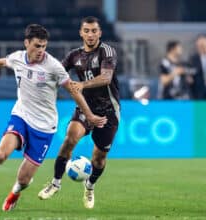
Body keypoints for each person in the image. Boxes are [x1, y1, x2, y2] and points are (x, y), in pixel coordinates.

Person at [0, 24, 107, 211]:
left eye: (44, 46)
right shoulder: (18, 58)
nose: (40, 50)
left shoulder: (53, 67)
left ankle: (15, 192)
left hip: (44, 126)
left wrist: (90, 115)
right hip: (21, 116)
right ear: (26, 43)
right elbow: (3, 61)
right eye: (37, 46)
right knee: (1, 154)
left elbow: (74, 92)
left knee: (24, 179)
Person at [38, 16, 120, 209]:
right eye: (86, 31)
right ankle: (55, 183)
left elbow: (106, 78)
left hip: (108, 112)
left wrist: (82, 84)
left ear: (99, 33)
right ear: (80, 33)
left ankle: (89, 186)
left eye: (94, 31)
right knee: (70, 138)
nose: (90, 34)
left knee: (99, 158)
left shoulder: (107, 51)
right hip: (85, 108)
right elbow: (56, 72)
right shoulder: (74, 56)